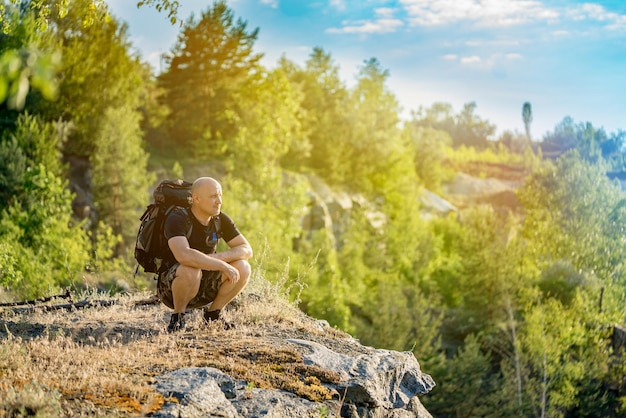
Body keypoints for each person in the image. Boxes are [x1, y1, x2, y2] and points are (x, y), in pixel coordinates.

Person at [157, 176, 253, 332]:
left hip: (205, 283)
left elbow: (246, 249)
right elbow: (183, 255)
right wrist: (222, 265)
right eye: (213, 196)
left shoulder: (220, 219)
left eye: (220, 195)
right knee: (191, 268)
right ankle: (178, 318)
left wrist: (218, 258)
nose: (219, 201)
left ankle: (212, 316)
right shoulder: (177, 218)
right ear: (196, 198)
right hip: (172, 287)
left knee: (243, 267)